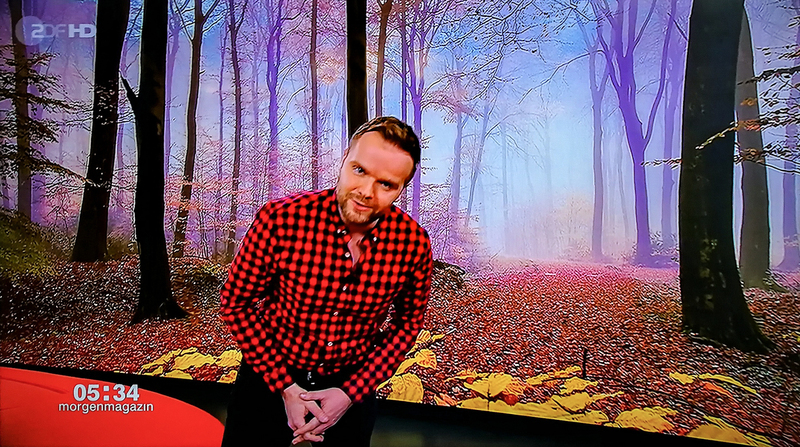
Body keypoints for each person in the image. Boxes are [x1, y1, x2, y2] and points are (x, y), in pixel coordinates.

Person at [219, 116, 433, 447]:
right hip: (268, 375)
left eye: (386, 184)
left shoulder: (412, 244)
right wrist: (285, 387)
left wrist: (351, 392)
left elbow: (407, 324)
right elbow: (236, 304)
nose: (366, 192)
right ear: (345, 158)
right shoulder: (281, 220)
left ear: (402, 188)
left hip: (352, 382)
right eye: (359, 170)